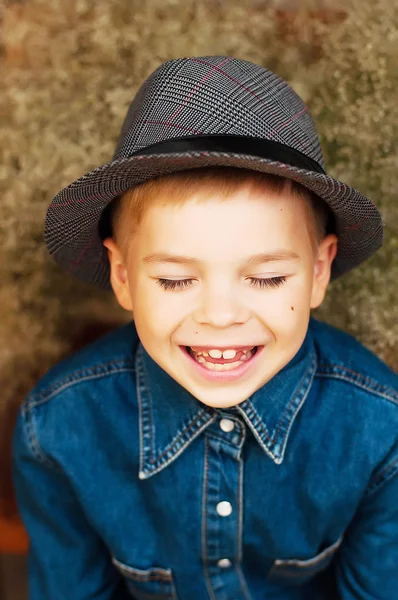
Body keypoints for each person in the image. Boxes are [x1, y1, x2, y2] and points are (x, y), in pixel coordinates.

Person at [12, 56, 397, 600]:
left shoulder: (381, 431)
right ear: (123, 277)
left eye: (265, 278)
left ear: (317, 272)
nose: (220, 315)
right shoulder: (56, 431)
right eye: (174, 280)